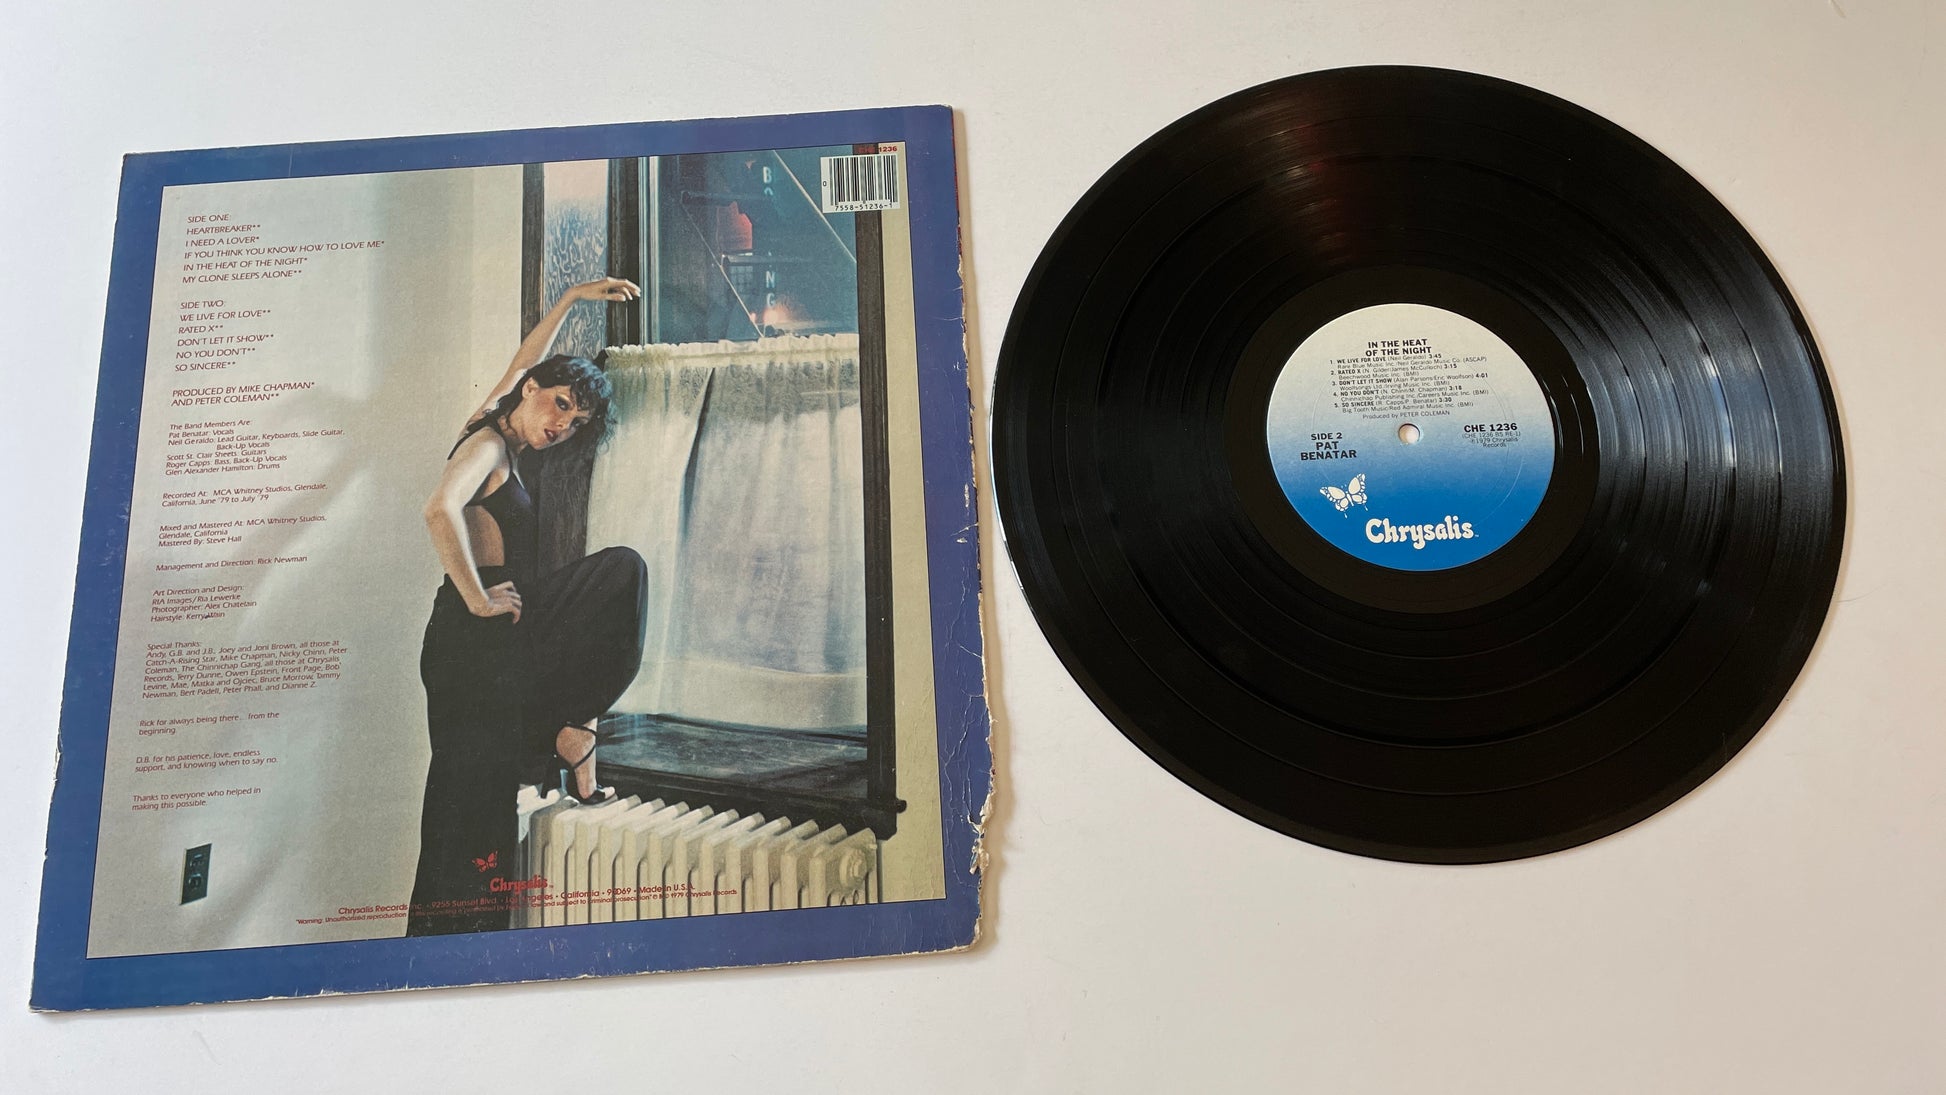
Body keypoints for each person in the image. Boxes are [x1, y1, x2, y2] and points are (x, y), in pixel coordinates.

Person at [406, 276, 648, 936]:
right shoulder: (486, 445)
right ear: (531, 392)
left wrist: (569, 300)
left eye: (576, 422)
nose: (562, 425)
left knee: (477, 813)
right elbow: (438, 508)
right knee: (468, 817)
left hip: (494, 645)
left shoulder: (498, 425)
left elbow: (523, 360)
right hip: (469, 646)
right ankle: (444, 961)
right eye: (559, 405)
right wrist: (477, 598)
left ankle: (571, 729)